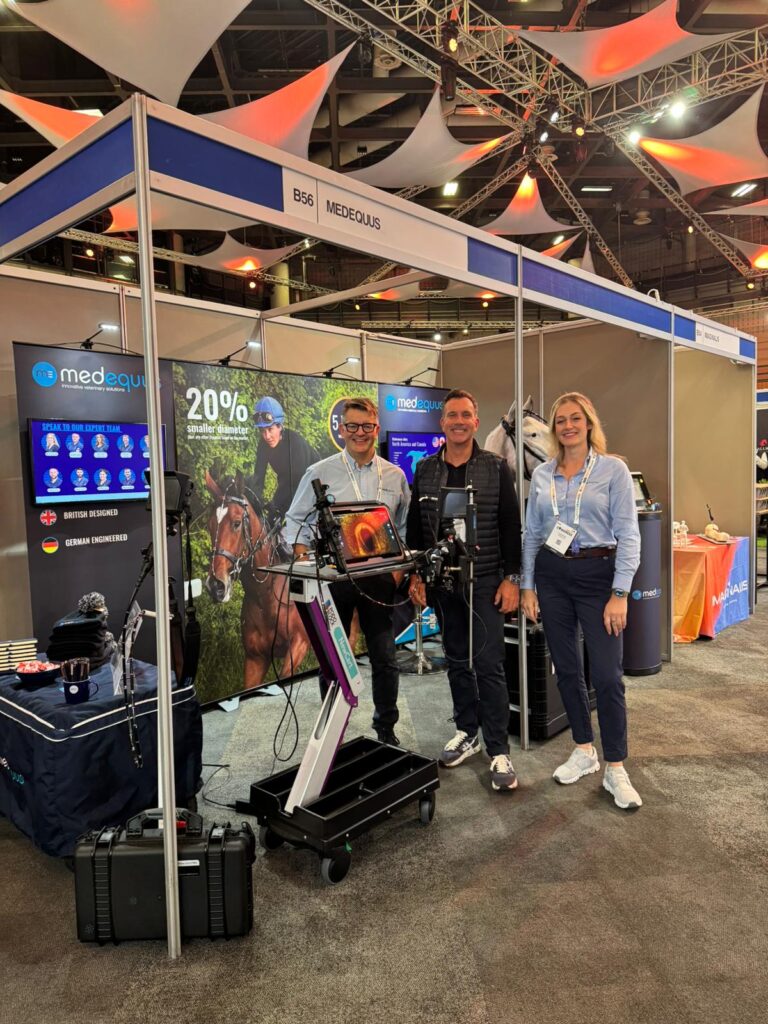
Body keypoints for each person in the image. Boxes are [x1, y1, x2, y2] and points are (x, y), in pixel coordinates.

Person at [520, 392, 642, 811]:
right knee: (566, 669)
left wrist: (620, 593)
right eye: (561, 420)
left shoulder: (612, 470)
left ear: (589, 423)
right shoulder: (543, 475)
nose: (568, 426)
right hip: (552, 575)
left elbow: (629, 535)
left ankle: (616, 766)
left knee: (607, 676)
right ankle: (584, 749)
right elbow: (532, 534)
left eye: (575, 419)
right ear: (554, 429)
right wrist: (528, 585)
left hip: (598, 576)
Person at [406, 388, 522, 793]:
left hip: (486, 581)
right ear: (442, 423)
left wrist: (512, 578)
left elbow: (511, 526)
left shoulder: (496, 468)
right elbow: (416, 531)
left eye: (465, 415)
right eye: (451, 415)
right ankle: (467, 732)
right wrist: (417, 576)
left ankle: (498, 749)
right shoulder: (425, 469)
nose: (458, 422)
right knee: (456, 662)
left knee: (489, 665)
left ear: (476, 421)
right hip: (443, 584)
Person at [285, 397, 409, 746]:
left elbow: (403, 526)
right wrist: (304, 560)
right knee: (333, 658)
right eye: (352, 426)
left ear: (377, 429)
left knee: (385, 657)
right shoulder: (319, 472)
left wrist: (397, 573)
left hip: (379, 579)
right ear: (341, 429)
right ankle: (331, 734)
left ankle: (386, 728)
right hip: (335, 579)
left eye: (367, 426)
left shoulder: (395, 475)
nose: (359, 433)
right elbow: (295, 521)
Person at [252, 397, 315, 521]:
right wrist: (255, 502)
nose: (267, 436)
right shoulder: (263, 445)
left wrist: (275, 504)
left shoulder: (295, 442)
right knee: (272, 520)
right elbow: (258, 476)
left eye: (270, 429)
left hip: (312, 483)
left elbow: (296, 481)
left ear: (280, 426)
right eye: (262, 431)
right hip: (288, 484)